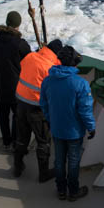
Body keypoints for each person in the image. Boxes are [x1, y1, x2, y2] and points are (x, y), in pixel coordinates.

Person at [39, 45, 96, 202]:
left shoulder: (48, 80)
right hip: (74, 132)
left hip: (57, 129)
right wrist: (91, 127)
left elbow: (44, 104)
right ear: (75, 63)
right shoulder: (81, 83)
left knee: (59, 161)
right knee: (73, 162)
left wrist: (51, 120)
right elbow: (85, 110)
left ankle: (61, 191)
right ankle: (73, 191)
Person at [13, 38, 63, 181]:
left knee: (22, 138)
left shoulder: (29, 57)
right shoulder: (51, 68)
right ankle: (43, 173)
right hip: (37, 109)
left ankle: (17, 167)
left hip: (21, 103)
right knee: (43, 141)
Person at [0, 11, 31, 148]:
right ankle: (16, 143)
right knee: (17, 116)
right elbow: (29, 62)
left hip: (0, 84)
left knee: (3, 114)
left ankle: (6, 142)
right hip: (17, 86)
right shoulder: (20, 43)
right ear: (18, 24)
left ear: (7, 22)